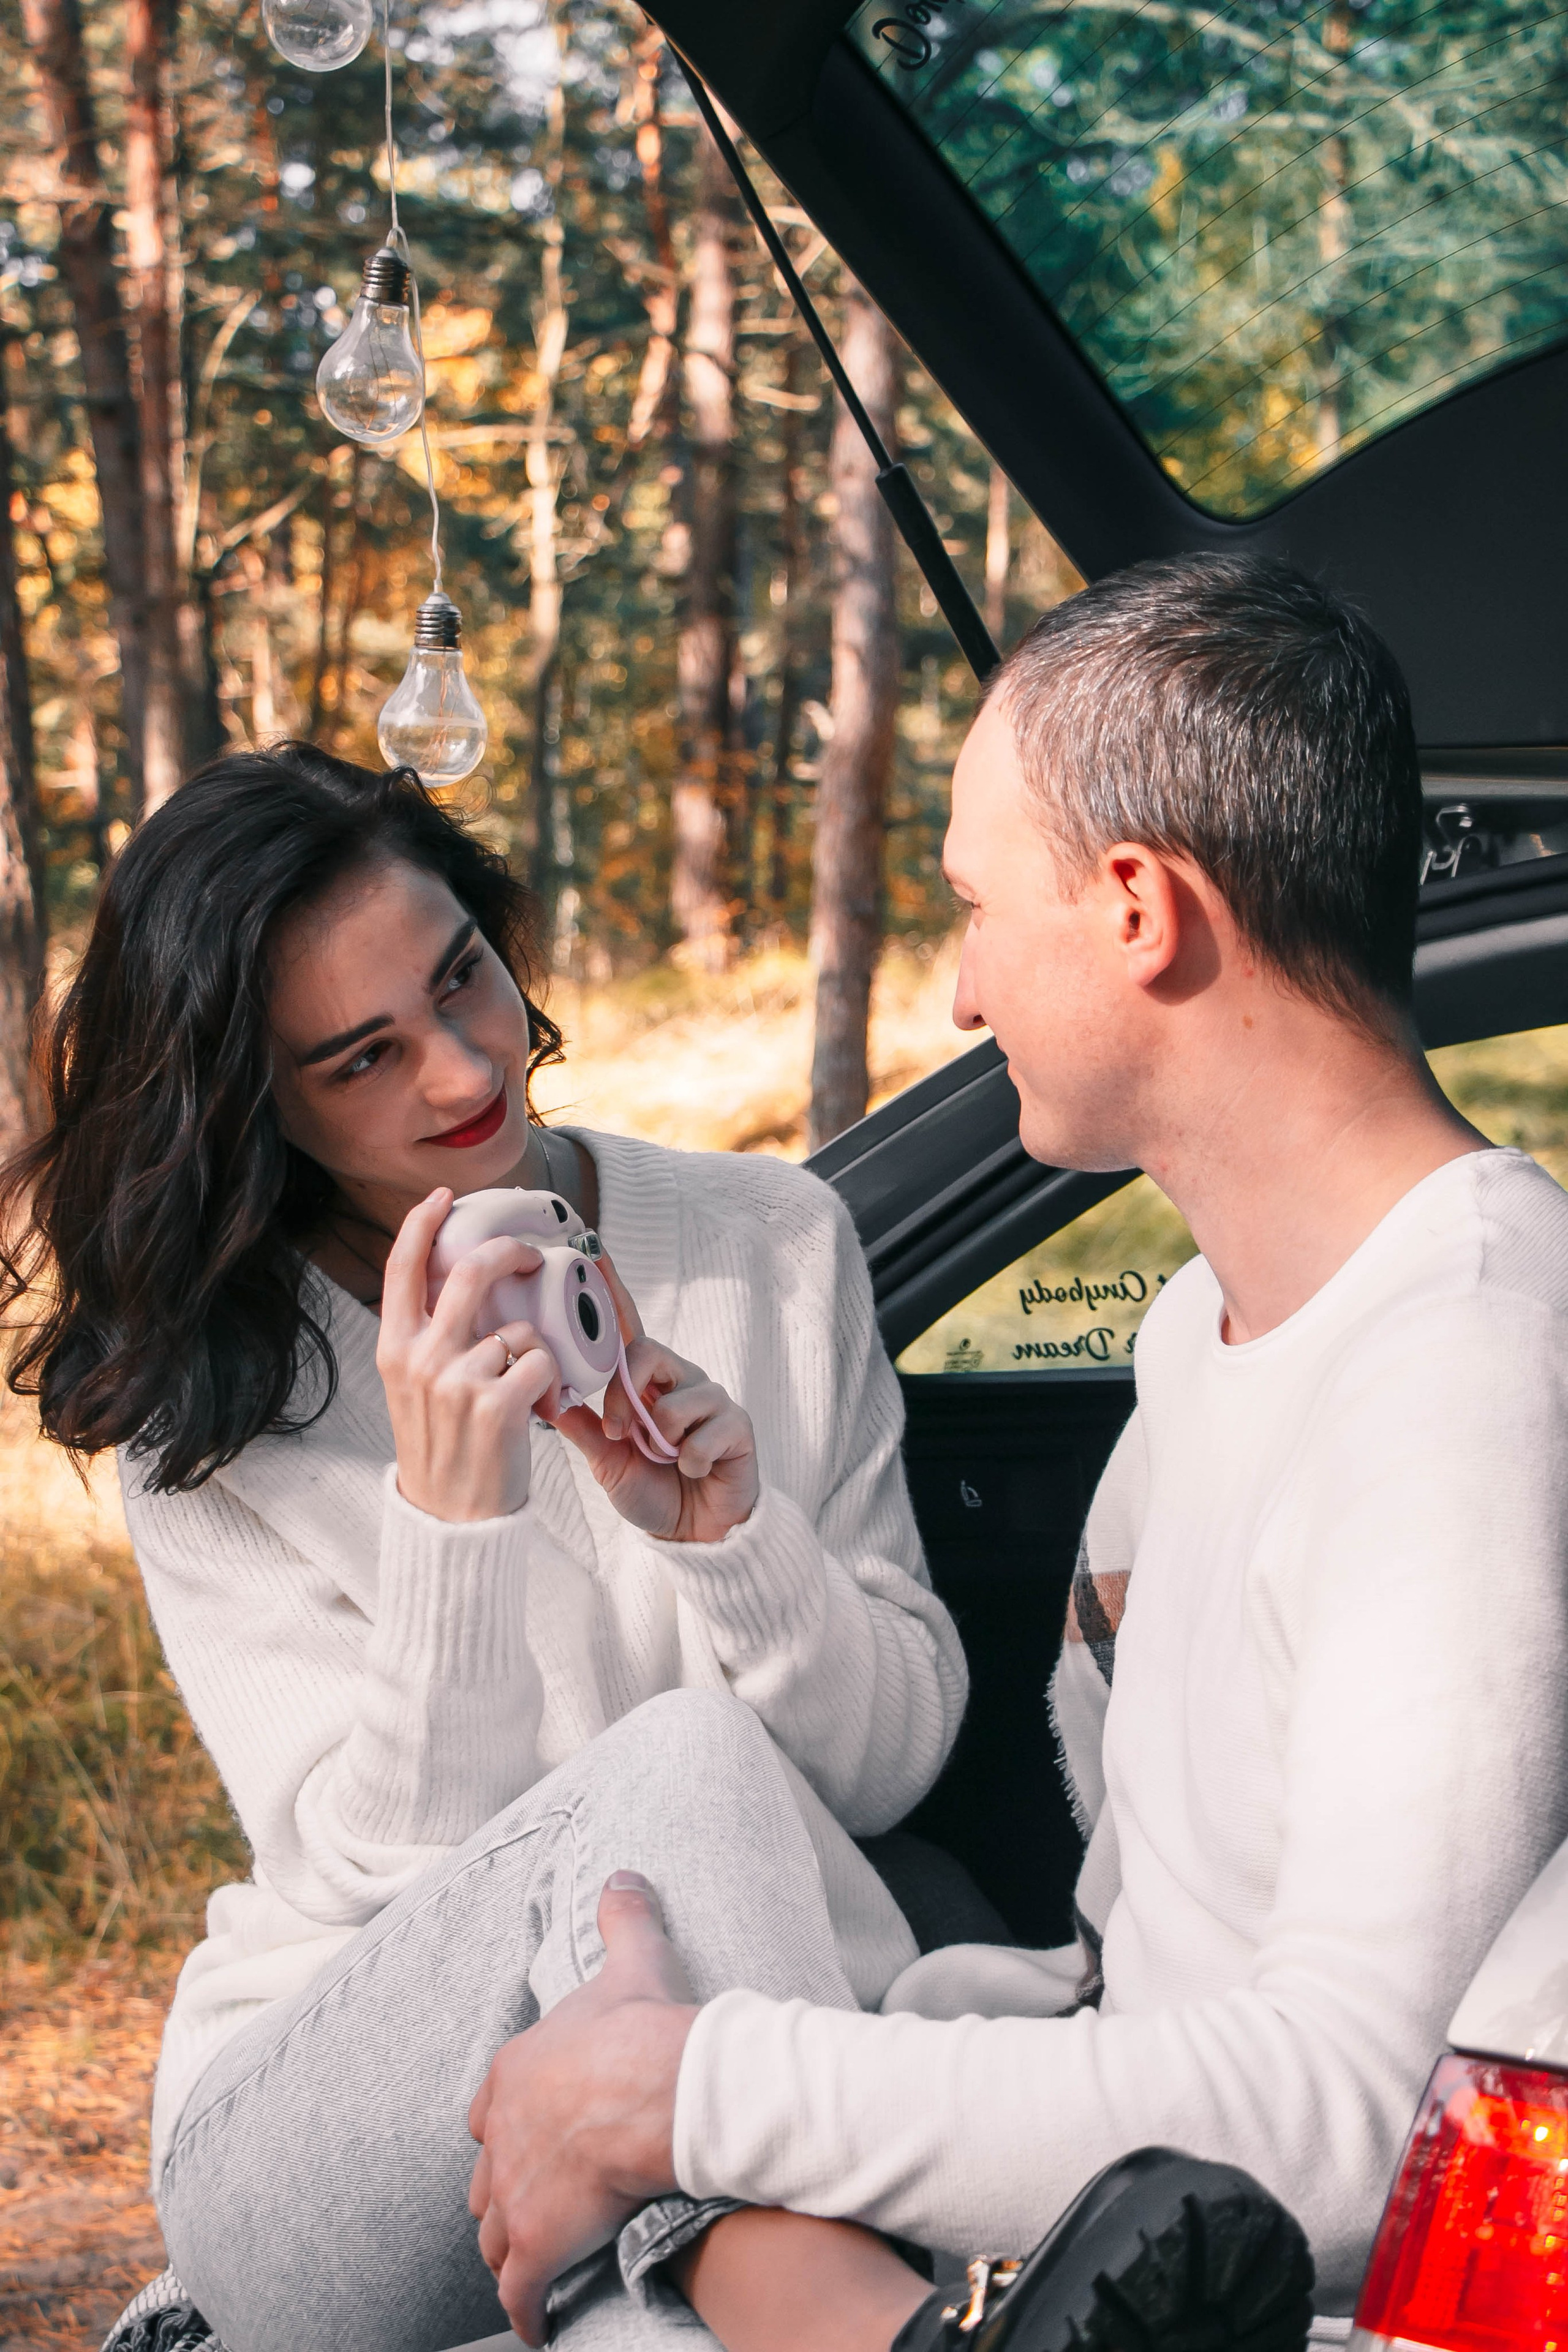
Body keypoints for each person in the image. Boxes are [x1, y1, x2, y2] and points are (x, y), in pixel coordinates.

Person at [454, 554, 1568, 2348]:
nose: (963, 991)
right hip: (1104, 2232)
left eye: (977, 905)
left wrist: (687, 2098)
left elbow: (1357, 2119)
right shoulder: (1201, 1335)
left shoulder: (1470, 1364)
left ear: (1137, 909)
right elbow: (1148, 1965)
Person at [0, 744, 971, 2351]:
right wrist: (454, 1526)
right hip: (348, 2116)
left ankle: (791, 2291)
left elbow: (881, 1778)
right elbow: (372, 1882)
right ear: (259, 1106)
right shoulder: (216, 1410)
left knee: (646, 2333)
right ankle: (828, 2292)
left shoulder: (770, 1244)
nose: (461, 1075)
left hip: (730, 2082)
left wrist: (737, 1544)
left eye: (463, 978)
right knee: (685, 1753)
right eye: (362, 1059)